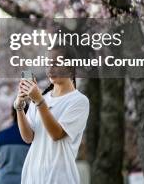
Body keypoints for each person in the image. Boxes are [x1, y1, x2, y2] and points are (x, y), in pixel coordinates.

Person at [15, 48, 89, 184]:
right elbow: (28, 137)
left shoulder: (79, 101)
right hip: (32, 176)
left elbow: (57, 134)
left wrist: (39, 101)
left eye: (56, 63)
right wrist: (19, 107)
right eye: (48, 63)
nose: (51, 68)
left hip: (60, 178)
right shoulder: (41, 97)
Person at [0, 105, 31, 184]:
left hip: (3, 179)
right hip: (24, 180)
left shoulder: (0, 136)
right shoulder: (32, 137)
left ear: (12, 114)